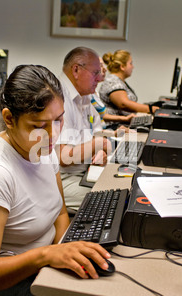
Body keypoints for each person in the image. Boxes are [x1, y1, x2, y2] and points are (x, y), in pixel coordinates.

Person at [0, 65, 111, 296]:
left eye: (59, 120)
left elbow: (59, 212)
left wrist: (66, 252)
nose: (53, 134)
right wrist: (47, 256)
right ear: (9, 119)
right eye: (38, 126)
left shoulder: (43, 149)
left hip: (35, 265)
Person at [57, 47, 127, 211]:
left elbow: (93, 134)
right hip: (62, 179)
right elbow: (65, 158)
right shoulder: (60, 99)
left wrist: (98, 151)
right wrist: (98, 145)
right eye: (96, 72)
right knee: (115, 202)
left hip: (83, 171)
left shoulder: (84, 95)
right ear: (76, 70)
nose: (101, 78)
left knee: (123, 188)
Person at [99, 50, 159, 119]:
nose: (133, 67)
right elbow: (124, 104)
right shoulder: (113, 81)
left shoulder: (119, 80)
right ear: (122, 67)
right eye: (130, 63)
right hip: (115, 125)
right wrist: (151, 109)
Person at [91, 57, 135, 129]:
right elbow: (124, 104)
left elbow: (101, 116)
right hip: (106, 130)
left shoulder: (94, 93)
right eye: (101, 66)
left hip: (104, 132)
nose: (105, 69)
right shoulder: (86, 96)